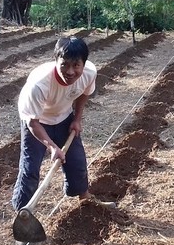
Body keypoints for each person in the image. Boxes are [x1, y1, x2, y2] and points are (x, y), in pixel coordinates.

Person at [11, 36, 108, 214]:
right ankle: (23, 214)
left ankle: (84, 197)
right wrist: (52, 146)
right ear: (55, 60)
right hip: (37, 120)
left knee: (77, 161)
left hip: (64, 117)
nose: (70, 71)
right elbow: (32, 122)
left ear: (84, 64)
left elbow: (84, 94)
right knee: (30, 168)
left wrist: (77, 119)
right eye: (64, 64)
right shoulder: (39, 85)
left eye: (76, 65)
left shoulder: (89, 73)